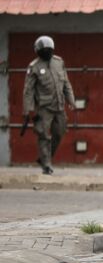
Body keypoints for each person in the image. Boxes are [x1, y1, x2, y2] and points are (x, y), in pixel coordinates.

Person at [23, 36, 75, 175]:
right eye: (44, 50)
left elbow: (66, 83)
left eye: (49, 49)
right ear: (38, 51)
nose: (47, 51)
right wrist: (28, 110)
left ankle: (44, 158)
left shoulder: (59, 62)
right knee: (43, 135)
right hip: (44, 108)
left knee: (60, 132)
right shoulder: (34, 67)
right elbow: (28, 91)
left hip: (59, 106)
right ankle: (46, 165)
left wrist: (71, 100)